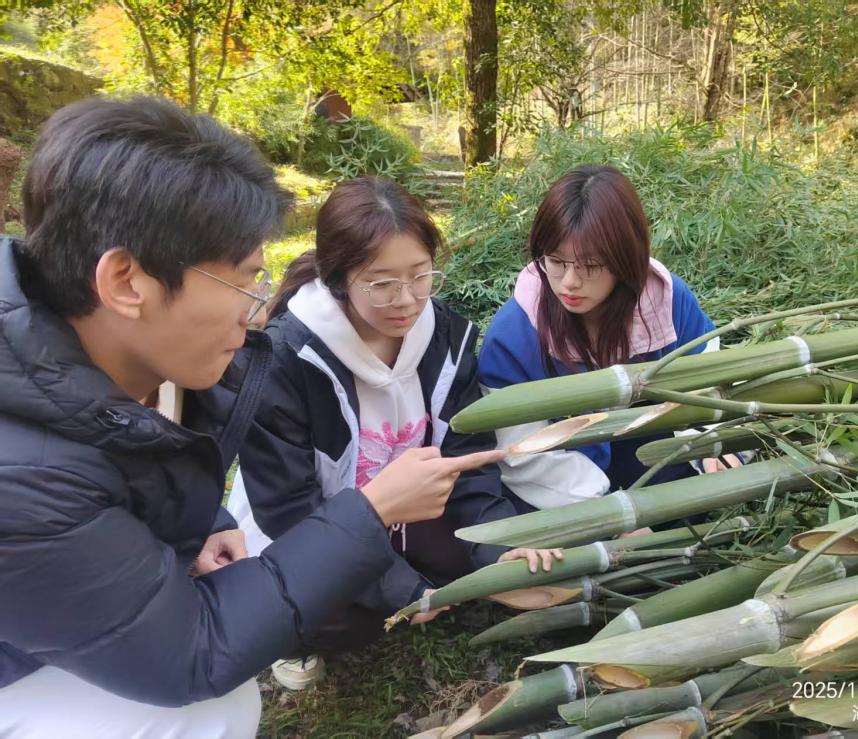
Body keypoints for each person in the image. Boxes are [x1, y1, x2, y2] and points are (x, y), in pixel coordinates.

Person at [0, 96, 504, 737]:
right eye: (243, 281)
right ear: (126, 282)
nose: (257, 308)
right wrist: (373, 510)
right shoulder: (20, 478)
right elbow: (191, 656)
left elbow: (145, 461)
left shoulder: (139, 360)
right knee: (209, 712)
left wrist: (205, 522)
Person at [228, 177, 560, 689]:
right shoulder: (284, 359)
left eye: (421, 276)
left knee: (498, 545)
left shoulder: (446, 337)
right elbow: (287, 507)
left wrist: (498, 549)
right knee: (313, 611)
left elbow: (467, 456)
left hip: (413, 511)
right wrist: (396, 586)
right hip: (316, 523)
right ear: (339, 278)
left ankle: (432, 580)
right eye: (381, 283)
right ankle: (301, 638)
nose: (406, 300)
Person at [477, 164, 743, 514]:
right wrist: (608, 516)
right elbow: (521, 453)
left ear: (626, 257)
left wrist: (710, 445)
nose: (569, 282)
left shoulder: (666, 301)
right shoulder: (515, 333)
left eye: (590, 266)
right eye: (556, 261)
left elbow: (708, 382)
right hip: (560, 490)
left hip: (652, 464)